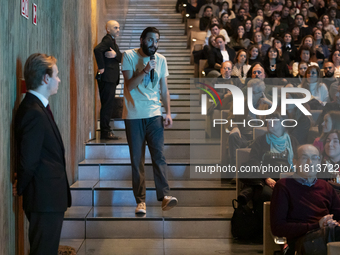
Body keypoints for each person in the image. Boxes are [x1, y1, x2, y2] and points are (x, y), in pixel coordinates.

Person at [13, 53, 72, 254]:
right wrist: (20, 185)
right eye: (56, 75)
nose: (59, 79)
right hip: (44, 199)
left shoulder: (38, 107)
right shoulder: (33, 111)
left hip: (48, 198)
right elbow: (29, 159)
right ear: (45, 78)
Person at [121, 27, 178, 214]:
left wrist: (168, 112)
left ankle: (165, 196)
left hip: (154, 114)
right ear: (142, 40)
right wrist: (145, 70)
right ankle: (140, 201)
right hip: (134, 115)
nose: (154, 44)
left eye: (157, 40)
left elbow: (164, 89)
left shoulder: (161, 60)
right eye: (151, 40)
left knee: (159, 156)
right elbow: (129, 85)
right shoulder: (128, 56)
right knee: (137, 159)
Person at [271, 144, 340, 255]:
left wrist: (334, 224)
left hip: (327, 235)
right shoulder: (283, 186)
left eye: (314, 158)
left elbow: (338, 214)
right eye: (304, 158)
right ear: (295, 162)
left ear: (319, 162)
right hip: (301, 240)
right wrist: (317, 225)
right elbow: (277, 228)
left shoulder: (326, 186)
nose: (310, 163)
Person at [94, 20, 122, 140]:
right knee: (107, 105)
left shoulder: (112, 41)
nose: (118, 30)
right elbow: (97, 50)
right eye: (115, 28)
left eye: (118, 27)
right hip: (107, 78)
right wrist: (101, 68)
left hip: (110, 79)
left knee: (108, 104)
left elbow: (120, 57)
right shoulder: (107, 40)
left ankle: (106, 130)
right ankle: (105, 132)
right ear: (108, 29)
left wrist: (115, 55)